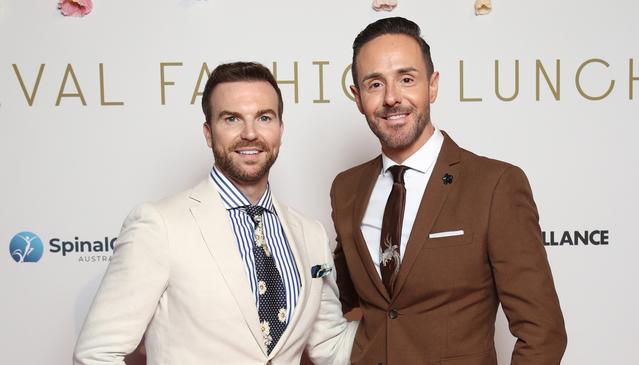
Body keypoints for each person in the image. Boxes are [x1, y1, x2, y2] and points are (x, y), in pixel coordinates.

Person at [74, 62, 357, 365]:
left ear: (280, 130)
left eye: (264, 117)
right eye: (232, 118)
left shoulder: (310, 234)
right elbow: (96, 354)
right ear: (209, 133)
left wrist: (409, 320)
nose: (250, 133)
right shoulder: (159, 226)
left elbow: (331, 346)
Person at [331, 17, 567, 364]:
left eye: (406, 79)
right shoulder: (347, 189)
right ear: (358, 97)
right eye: (375, 84)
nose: (392, 98)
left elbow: (542, 332)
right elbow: (334, 297)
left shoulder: (495, 185)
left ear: (433, 86)